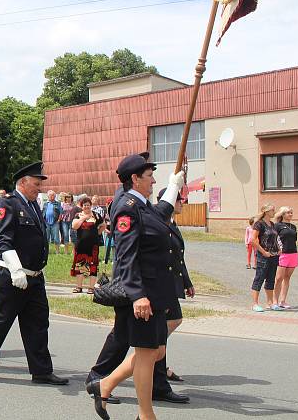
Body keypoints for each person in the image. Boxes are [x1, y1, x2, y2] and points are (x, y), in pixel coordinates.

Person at [85, 153, 185, 420]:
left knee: (155, 351)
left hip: (155, 292)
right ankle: (146, 415)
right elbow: (126, 256)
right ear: (134, 179)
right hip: (143, 294)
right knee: (147, 352)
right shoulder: (127, 207)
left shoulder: (143, 205)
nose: (154, 181)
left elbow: (162, 213)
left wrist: (175, 186)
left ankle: (103, 385)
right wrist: (138, 296)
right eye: (150, 176)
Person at [0, 162, 69, 386]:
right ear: (23, 183)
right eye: (36, 184)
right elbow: (3, 241)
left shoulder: (34, 205)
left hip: (34, 277)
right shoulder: (8, 204)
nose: (39, 188)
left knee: (37, 324)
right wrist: (16, 269)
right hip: (13, 277)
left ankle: (41, 371)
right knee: (0, 322)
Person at [152, 186, 194, 395]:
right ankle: (105, 379)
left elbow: (178, 257)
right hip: (160, 285)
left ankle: (157, 367)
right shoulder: (159, 223)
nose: (181, 204)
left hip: (171, 283)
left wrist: (186, 282)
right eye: (178, 200)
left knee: (166, 328)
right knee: (155, 337)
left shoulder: (172, 224)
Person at [71, 195, 105, 294]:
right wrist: (84, 218)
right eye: (84, 205)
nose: (87, 207)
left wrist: (98, 233)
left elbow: (103, 225)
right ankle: (79, 287)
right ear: (81, 206)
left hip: (93, 245)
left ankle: (91, 288)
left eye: (88, 205)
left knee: (93, 265)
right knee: (80, 266)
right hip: (81, 246)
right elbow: (74, 226)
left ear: (91, 205)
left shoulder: (96, 215)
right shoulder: (78, 215)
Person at [250, 204, 279, 312]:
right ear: (266, 211)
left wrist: (278, 249)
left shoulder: (272, 224)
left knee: (271, 279)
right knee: (259, 278)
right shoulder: (259, 224)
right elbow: (253, 240)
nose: (274, 212)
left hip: (273, 255)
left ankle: (270, 303)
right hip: (263, 256)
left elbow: (274, 239)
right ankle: (255, 304)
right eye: (272, 210)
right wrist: (263, 252)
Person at [273, 207, 298, 309]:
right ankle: (274, 301)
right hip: (283, 255)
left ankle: (282, 301)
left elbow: (294, 241)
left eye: (291, 213)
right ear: (283, 214)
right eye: (288, 213)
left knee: (287, 278)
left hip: (293, 254)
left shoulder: (293, 226)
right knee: (279, 278)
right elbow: (274, 239)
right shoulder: (277, 226)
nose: (290, 214)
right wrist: (278, 250)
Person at [41, 190, 62, 254]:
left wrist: (59, 220)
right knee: (46, 238)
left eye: (53, 195)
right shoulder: (45, 204)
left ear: (55, 196)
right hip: (46, 223)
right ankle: (47, 251)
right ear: (48, 196)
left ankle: (57, 251)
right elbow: (43, 212)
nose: (51, 196)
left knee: (56, 238)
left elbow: (61, 212)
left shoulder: (58, 203)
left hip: (55, 223)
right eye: (50, 195)